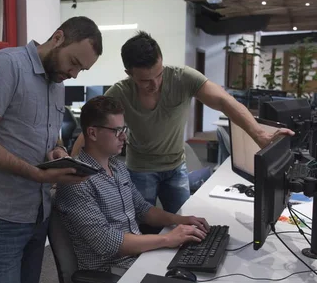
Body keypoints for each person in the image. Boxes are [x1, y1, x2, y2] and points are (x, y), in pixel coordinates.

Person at [0, 17, 102, 283]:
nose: (73, 73)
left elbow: (50, 134)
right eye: (74, 62)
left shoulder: (56, 82)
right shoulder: (5, 66)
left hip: (36, 213)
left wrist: (59, 151)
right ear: (57, 37)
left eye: (82, 70)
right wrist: (37, 174)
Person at [72, 31, 292, 214]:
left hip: (176, 167)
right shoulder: (120, 92)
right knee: (142, 225)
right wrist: (73, 167)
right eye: (145, 81)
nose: (155, 84)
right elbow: (90, 130)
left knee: (183, 219)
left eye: (158, 75)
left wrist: (259, 135)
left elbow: (226, 102)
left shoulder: (183, 78)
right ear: (129, 73)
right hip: (140, 169)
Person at [56, 96, 209, 275]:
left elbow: (142, 209)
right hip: (111, 272)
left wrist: (180, 220)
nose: (124, 137)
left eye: (124, 129)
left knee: (202, 266)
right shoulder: (76, 181)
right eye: (117, 130)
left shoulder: (118, 167)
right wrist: (167, 238)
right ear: (92, 133)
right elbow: (107, 243)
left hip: (139, 257)